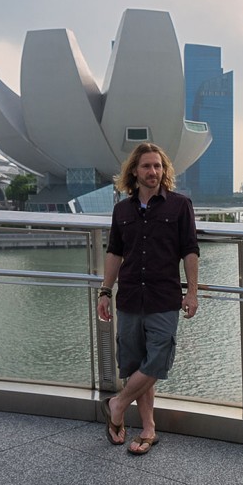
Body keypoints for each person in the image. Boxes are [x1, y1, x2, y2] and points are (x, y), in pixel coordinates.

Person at [96, 142, 199, 455]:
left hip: (164, 296)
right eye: (146, 166)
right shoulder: (121, 211)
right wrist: (104, 290)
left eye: (158, 166)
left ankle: (116, 404)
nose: (153, 172)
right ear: (134, 172)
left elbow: (190, 250)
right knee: (135, 364)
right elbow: (115, 251)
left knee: (157, 359)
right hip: (128, 296)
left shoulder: (180, 205)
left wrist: (192, 291)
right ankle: (148, 429)